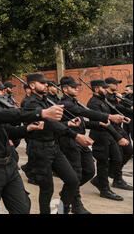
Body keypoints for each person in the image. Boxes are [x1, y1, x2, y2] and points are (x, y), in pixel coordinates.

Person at [0, 62, 62, 214]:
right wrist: (41, 113)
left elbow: (6, 131)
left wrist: (27, 129)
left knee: (22, 208)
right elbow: (4, 115)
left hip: (9, 165)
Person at [22, 72, 94, 214]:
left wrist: (68, 122)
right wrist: (75, 136)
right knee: (47, 189)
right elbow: (49, 124)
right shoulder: (30, 103)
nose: (46, 85)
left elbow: (57, 122)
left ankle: (63, 210)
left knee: (73, 180)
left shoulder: (46, 101)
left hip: (53, 147)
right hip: (39, 149)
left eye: (46, 83)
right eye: (42, 83)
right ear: (32, 85)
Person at [57, 76, 127, 213]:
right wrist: (108, 117)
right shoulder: (65, 103)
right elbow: (84, 112)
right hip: (70, 141)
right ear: (65, 89)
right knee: (76, 174)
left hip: (82, 141)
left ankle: (68, 191)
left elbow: (83, 120)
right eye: (73, 87)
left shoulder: (74, 102)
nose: (77, 88)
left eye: (77, 86)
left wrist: (97, 123)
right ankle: (76, 205)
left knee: (89, 171)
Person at [104, 77, 133, 191]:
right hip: (110, 129)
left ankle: (113, 174)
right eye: (114, 83)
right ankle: (117, 178)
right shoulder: (106, 97)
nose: (117, 85)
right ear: (108, 85)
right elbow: (115, 108)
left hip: (118, 127)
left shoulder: (113, 96)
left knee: (127, 151)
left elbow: (118, 107)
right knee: (118, 155)